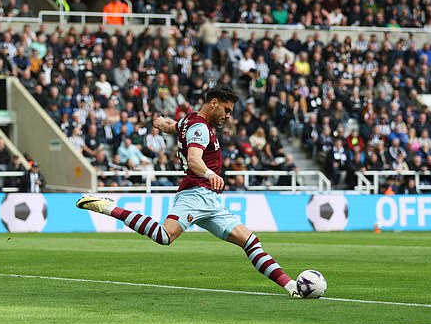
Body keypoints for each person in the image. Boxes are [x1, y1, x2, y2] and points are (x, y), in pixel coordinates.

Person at [76, 86, 300, 297]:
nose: (228, 115)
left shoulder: (189, 121)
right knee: (164, 236)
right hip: (196, 193)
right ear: (213, 103)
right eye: (226, 109)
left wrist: (163, 124)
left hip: (209, 200)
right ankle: (106, 207)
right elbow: (194, 159)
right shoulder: (201, 129)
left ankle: (292, 286)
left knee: (251, 242)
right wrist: (210, 174)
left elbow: (175, 126)